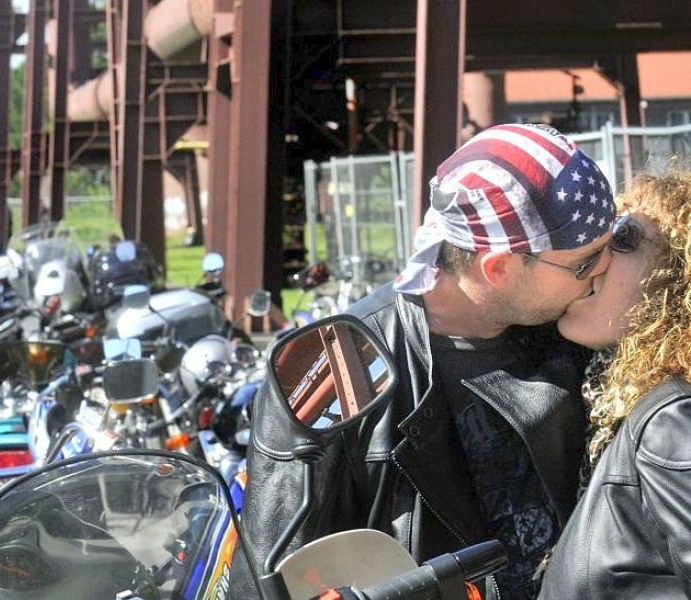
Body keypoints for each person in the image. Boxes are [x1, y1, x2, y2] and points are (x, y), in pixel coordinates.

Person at [230, 123, 616, 599]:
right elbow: (268, 574)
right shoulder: (333, 364)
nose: (603, 271)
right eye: (585, 262)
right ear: (497, 268)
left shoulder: (579, 328)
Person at [538, 170, 691, 599]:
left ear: (677, 282)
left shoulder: (671, 423)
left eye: (622, 238)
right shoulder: (603, 391)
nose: (594, 257)